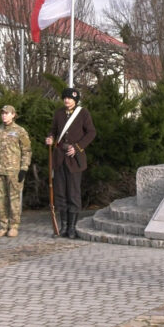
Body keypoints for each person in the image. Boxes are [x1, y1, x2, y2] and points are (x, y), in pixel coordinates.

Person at [45, 87, 96, 239]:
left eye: (70, 98)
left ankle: (72, 228)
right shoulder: (59, 113)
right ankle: (64, 227)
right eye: (65, 98)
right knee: (60, 193)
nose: (67, 100)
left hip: (74, 159)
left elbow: (91, 132)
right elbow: (53, 130)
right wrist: (50, 138)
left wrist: (78, 147)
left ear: (75, 100)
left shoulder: (83, 113)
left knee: (73, 193)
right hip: (60, 157)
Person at [0, 105, 31, 237]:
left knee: (14, 200)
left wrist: (24, 168)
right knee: (0, 201)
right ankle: (3, 226)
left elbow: (26, 151)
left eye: (7, 113)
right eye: (2, 113)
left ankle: (14, 226)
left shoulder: (20, 131)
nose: (4, 116)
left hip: (14, 172)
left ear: (13, 115)